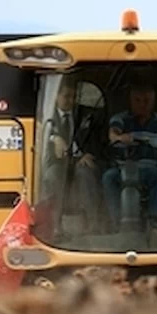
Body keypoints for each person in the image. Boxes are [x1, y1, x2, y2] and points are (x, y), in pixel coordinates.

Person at [102, 80, 157, 224]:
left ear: (153, 101)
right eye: (138, 100)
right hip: (122, 169)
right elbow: (113, 134)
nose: (142, 104)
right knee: (108, 177)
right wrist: (119, 137)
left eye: (147, 100)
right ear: (130, 101)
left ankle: (155, 222)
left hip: (150, 170)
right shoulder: (120, 118)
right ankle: (115, 223)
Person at [42, 78, 102, 223]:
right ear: (56, 96)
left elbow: (91, 137)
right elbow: (41, 132)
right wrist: (54, 138)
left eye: (73, 97)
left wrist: (86, 153)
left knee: (85, 172)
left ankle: (93, 221)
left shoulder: (83, 114)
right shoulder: (47, 114)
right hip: (55, 162)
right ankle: (54, 223)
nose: (70, 101)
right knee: (54, 175)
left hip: (77, 160)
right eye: (66, 96)